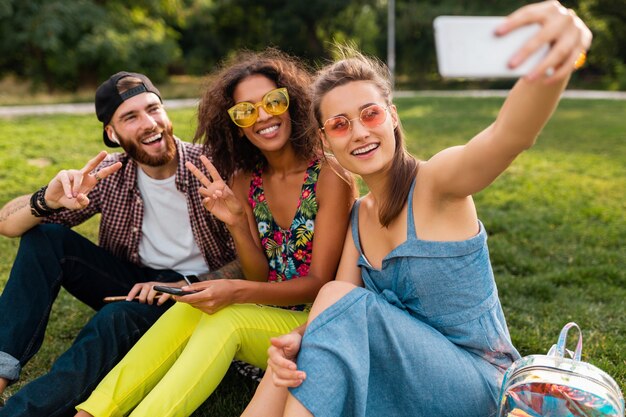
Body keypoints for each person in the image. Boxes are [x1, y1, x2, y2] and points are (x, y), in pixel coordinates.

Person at [251, 2, 593, 417]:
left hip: (482, 387)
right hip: (409, 383)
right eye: (340, 125)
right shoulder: (358, 217)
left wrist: (557, 56)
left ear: (391, 117)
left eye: (370, 114)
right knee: (298, 348)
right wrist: (299, 337)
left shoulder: (437, 183)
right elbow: (335, 313)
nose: (359, 132)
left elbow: (511, 135)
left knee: (337, 298)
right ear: (326, 142)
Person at [74, 49, 355, 417]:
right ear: (234, 123)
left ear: (293, 103)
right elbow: (259, 274)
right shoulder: (244, 180)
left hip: (315, 323)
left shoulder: (330, 177)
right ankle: (92, 412)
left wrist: (235, 291)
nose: (263, 117)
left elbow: (320, 283)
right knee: (185, 310)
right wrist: (238, 222)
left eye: (273, 101)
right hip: (268, 310)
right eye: (245, 111)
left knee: (227, 317)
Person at [0, 71, 237, 416]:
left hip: (200, 293)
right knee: (45, 238)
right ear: (111, 133)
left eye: (153, 109)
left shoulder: (212, 166)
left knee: (116, 318)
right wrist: (47, 200)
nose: (149, 123)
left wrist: (184, 286)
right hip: (133, 282)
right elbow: (7, 223)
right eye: (131, 117)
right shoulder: (110, 175)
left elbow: (256, 257)